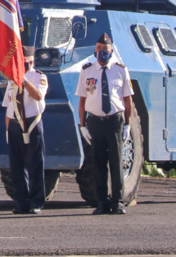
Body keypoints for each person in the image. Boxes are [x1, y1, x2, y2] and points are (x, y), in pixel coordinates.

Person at [76, 32, 134, 215]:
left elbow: (127, 100)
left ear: (112, 50)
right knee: (98, 164)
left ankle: (117, 201)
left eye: (106, 49)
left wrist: (127, 125)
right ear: (95, 50)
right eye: (99, 49)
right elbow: (82, 101)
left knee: (117, 163)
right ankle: (101, 202)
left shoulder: (120, 69)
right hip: (95, 121)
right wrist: (83, 125)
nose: (102, 52)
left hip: (115, 121)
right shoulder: (86, 70)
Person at [1, 45, 48, 214]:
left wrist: (24, 80)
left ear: (32, 61)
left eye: (26, 61)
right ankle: (21, 202)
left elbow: (38, 96)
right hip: (15, 124)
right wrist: (8, 131)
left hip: (32, 123)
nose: (23, 64)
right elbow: (8, 106)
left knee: (34, 164)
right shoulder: (11, 79)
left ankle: (36, 202)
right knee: (16, 167)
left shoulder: (39, 77)